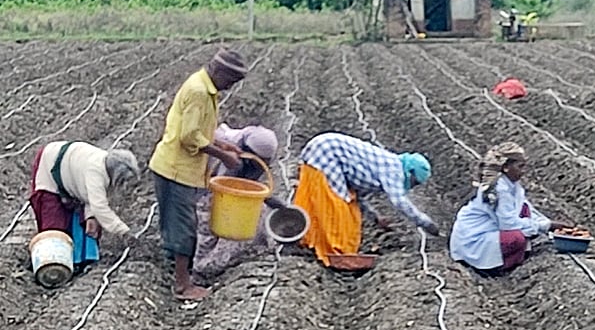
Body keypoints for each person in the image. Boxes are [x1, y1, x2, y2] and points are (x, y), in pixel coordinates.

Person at [149, 48, 248, 301]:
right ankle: (183, 286)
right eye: (231, 80)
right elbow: (189, 136)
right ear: (219, 71)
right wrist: (222, 155)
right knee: (185, 227)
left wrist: (223, 145)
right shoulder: (198, 92)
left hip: (180, 169)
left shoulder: (206, 89)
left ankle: (178, 271)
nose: (230, 86)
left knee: (178, 223)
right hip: (175, 169)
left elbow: (199, 128)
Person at [294, 132, 439, 266]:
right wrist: (425, 223)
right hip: (326, 153)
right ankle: (333, 253)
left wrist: (375, 217)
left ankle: (320, 245)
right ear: (410, 172)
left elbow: (358, 197)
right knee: (336, 208)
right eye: (415, 182)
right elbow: (399, 201)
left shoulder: (383, 168)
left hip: (325, 151)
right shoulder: (394, 168)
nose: (413, 186)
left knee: (347, 209)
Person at [449, 142, 571, 275]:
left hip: (491, 229)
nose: (523, 171)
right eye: (520, 167)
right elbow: (508, 224)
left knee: (525, 214)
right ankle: (494, 268)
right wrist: (546, 226)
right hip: (475, 238)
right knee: (516, 238)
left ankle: (509, 259)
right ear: (506, 167)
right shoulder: (498, 189)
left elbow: (527, 208)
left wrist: (548, 223)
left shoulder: (511, 184)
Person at [29, 141, 138, 270]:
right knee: (54, 225)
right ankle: (51, 265)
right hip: (49, 163)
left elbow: (89, 195)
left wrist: (90, 216)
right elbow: (99, 207)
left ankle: (80, 260)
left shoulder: (103, 167)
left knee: (87, 223)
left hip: (70, 173)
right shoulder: (95, 172)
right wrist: (123, 231)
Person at [193, 124, 282, 282]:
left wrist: (275, 203)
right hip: (206, 193)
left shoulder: (251, 158)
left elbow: (247, 185)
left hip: (228, 194)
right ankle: (206, 265)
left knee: (258, 213)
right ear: (248, 152)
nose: (261, 166)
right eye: (260, 162)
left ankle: (233, 255)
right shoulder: (227, 153)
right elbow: (227, 185)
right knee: (224, 224)